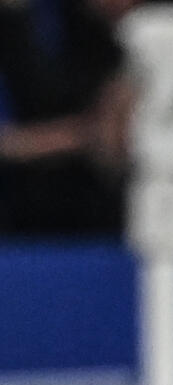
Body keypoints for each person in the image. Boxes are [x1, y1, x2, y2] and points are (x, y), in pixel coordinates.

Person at [0, 0, 132, 237]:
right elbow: (11, 143)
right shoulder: (14, 27)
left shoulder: (92, 27)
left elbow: (113, 128)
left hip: (94, 208)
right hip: (20, 210)